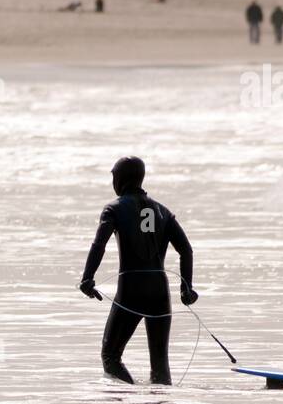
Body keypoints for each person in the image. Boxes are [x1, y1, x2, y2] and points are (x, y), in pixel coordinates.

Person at [79, 155, 197, 386]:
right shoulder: (163, 210)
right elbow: (186, 250)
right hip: (160, 294)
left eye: (114, 176)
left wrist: (87, 278)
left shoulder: (113, 209)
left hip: (131, 291)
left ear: (121, 178)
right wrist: (186, 289)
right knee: (160, 364)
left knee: (111, 357)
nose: (113, 181)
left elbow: (99, 244)